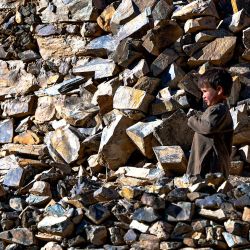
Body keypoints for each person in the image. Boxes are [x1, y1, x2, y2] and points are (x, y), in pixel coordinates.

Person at [186, 68, 234, 178]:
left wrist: (192, 119)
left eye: (204, 91)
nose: (202, 96)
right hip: (207, 163)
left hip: (212, 165)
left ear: (219, 90)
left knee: (210, 191)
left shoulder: (219, 109)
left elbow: (208, 127)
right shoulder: (214, 109)